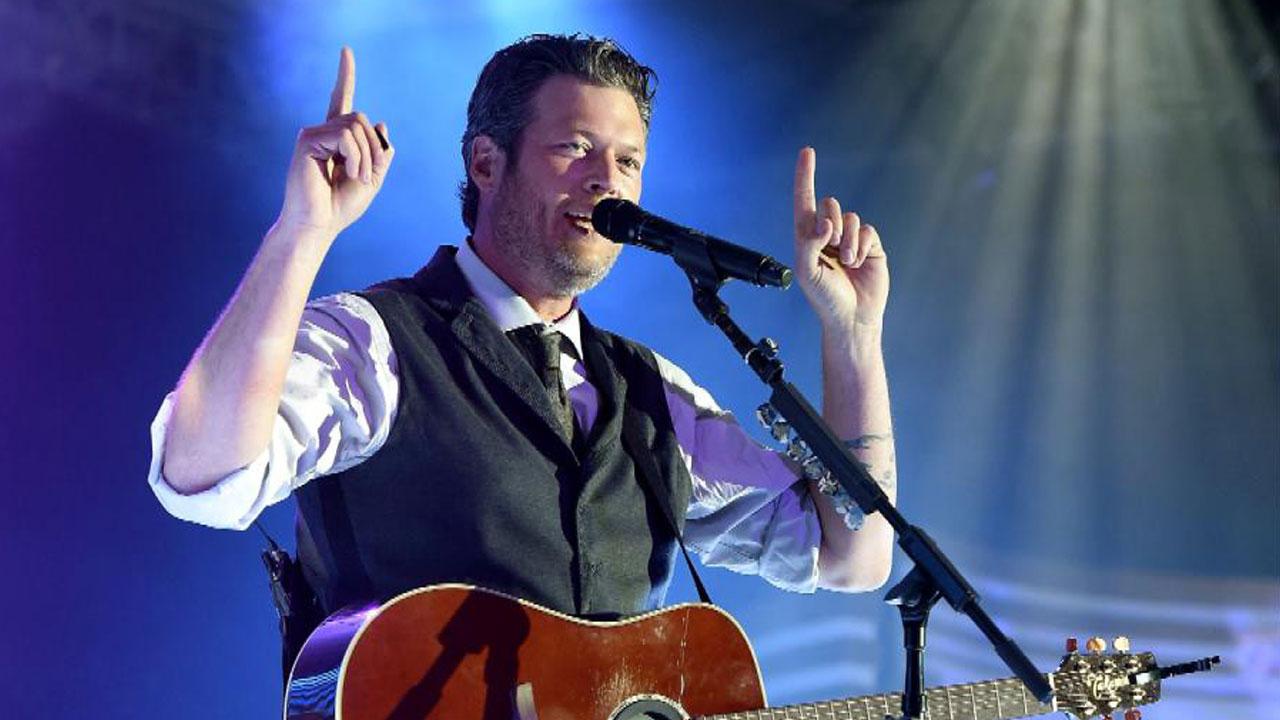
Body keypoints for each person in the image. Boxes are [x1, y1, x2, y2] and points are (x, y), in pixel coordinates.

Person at [148, 34, 896, 630]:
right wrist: (302, 231)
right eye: (575, 147)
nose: (606, 179)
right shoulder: (374, 343)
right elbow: (201, 476)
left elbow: (851, 555)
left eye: (628, 160)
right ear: (486, 162)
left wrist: (854, 337)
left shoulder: (652, 396)